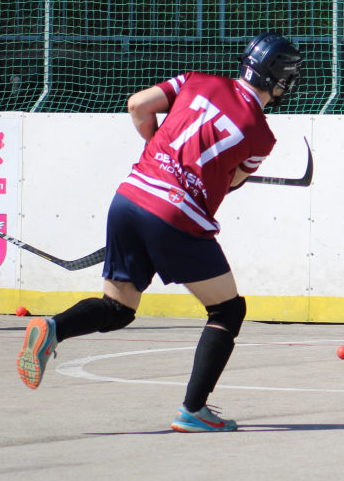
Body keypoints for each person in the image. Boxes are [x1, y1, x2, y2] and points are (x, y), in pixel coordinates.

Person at [16, 32, 304, 433]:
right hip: (174, 214)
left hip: (129, 197)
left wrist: (160, 151)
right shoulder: (261, 136)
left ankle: (52, 328)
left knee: (118, 308)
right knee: (228, 310)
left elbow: (137, 104)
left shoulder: (196, 80)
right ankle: (194, 410)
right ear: (280, 78)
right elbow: (233, 181)